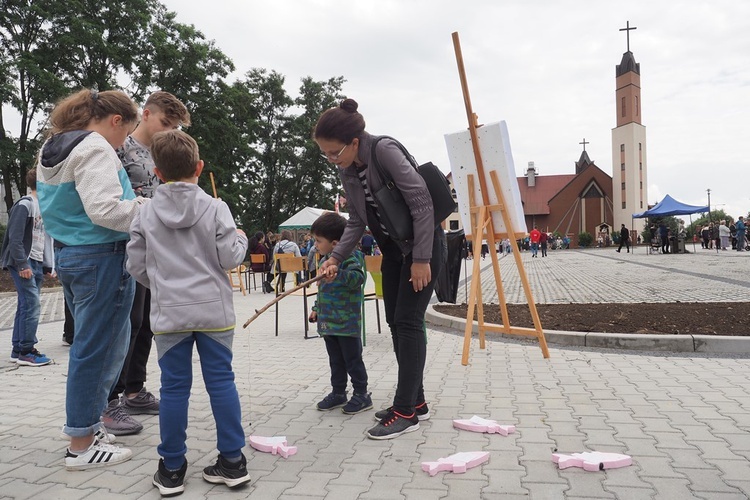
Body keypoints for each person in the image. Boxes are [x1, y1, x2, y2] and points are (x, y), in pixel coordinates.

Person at [126, 129, 250, 495]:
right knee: (221, 383)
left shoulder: (145, 213)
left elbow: (135, 265)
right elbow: (230, 257)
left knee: (174, 388)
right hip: (214, 312)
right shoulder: (216, 207)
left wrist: (163, 286)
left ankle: (172, 469)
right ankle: (232, 462)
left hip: (170, 314)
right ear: (199, 167)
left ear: (158, 173)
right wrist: (240, 237)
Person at [314, 98, 445, 440]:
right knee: (395, 323)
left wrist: (421, 259)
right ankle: (416, 402)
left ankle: (405, 412)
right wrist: (335, 258)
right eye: (324, 154)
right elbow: (356, 220)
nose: (331, 160)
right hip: (394, 252)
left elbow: (421, 201)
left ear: (355, 142)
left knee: (408, 322)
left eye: (334, 152)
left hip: (422, 247)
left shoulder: (384, 150)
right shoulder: (348, 170)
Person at [36, 88, 145, 469]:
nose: (124, 143)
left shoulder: (55, 145)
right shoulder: (95, 146)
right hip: (103, 257)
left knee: (92, 347)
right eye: (127, 133)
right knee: (99, 351)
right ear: (116, 121)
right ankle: (82, 444)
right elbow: (106, 210)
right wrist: (153, 209)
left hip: (72, 254)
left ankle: (89, 427)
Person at [102, 91, 191, 436]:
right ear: (146, 113)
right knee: (128, 321)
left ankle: (135, 390)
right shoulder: (118, 147)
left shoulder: (163, 153)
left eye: (176, 127)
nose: (170, 131)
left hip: (158, 247)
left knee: (149, 322)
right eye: (166, 123)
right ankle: (110, 398)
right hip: (125, 246)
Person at [308, 213, 372, 415]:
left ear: (335, 243)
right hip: (329, 323)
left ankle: (362, 394)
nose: (315, 244)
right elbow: (322, 290)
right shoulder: (326, 260)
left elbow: (358, 279)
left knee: (353, 360)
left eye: (318, 241)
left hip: (347, 323)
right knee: (335, 360)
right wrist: (316, 309)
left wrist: (339, 273)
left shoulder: (351, 258)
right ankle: (338, 392)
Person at [1, 168, 54, 366]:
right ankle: (26, 350)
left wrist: (48, 266)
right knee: (32, 305)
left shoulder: (44, 207)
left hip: (37, 261)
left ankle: (18, 349)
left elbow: (45, 239)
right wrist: (22, 263)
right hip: (24, 261)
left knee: (26, 304)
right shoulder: (25, 205)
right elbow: (14, 238)